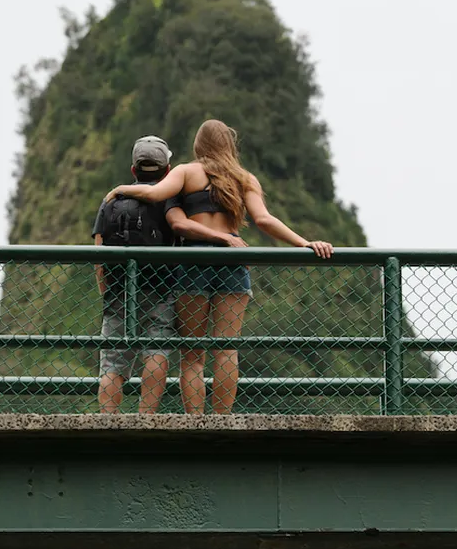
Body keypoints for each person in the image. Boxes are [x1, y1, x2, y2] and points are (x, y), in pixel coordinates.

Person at [104, 119, 334, 414]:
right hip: (232, 261)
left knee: (192, 355)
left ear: (198, 146)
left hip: (193, 262)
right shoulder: (245, 178)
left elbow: (160, 203)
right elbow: (263, 220)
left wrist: (119, 189)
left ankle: (195, 422)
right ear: (229, 145)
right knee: (226, 347)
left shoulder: (187, 172)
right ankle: (222, 419)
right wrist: (304, 242)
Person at [93, 135, 244, 414]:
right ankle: (146, 416)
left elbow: (99, 251)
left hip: (117, 288)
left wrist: (105, 288)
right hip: (160, 287)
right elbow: (181, 229)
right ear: (168, 168)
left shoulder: (112, 200)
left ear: (133, 169)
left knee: (113, 361)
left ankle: (108, 419)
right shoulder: (170, 198)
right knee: (157, 350)